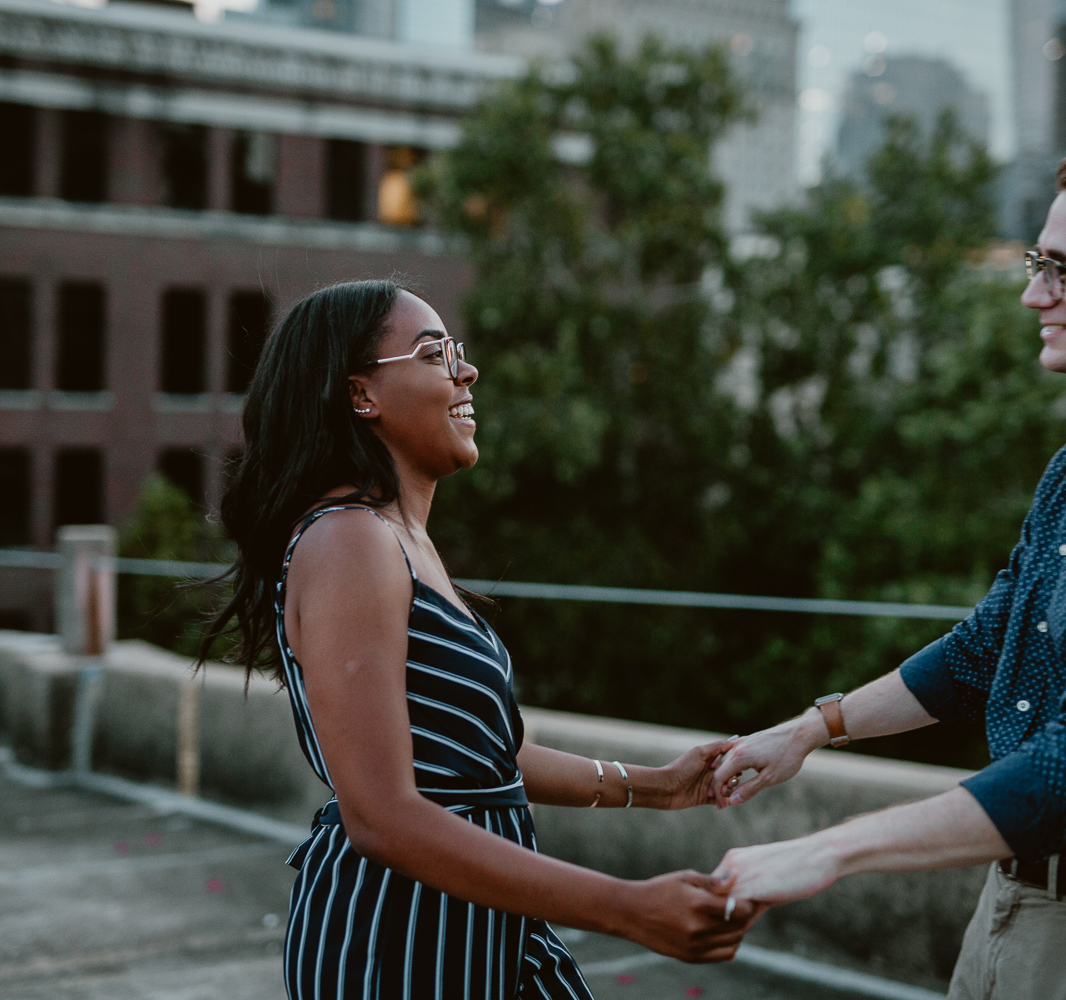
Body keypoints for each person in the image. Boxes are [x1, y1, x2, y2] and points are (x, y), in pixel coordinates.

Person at [706, 145, 1066, 1000]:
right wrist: (811, 729)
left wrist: (829, 848)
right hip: (1017, 910)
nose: (1032, 294)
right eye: (1040, 264)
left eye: (1064, 271)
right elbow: (985, 648)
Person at [201, 280, 755, 1000]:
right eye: (435, 354)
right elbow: (381, 815)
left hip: (484, 920)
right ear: (361, 394)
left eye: (458, 352)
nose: (467, 372)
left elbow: (481, 757)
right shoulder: (347, 542)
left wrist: (653, 786)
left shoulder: (401, 541)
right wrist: (626, 907)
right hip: (396, 940)